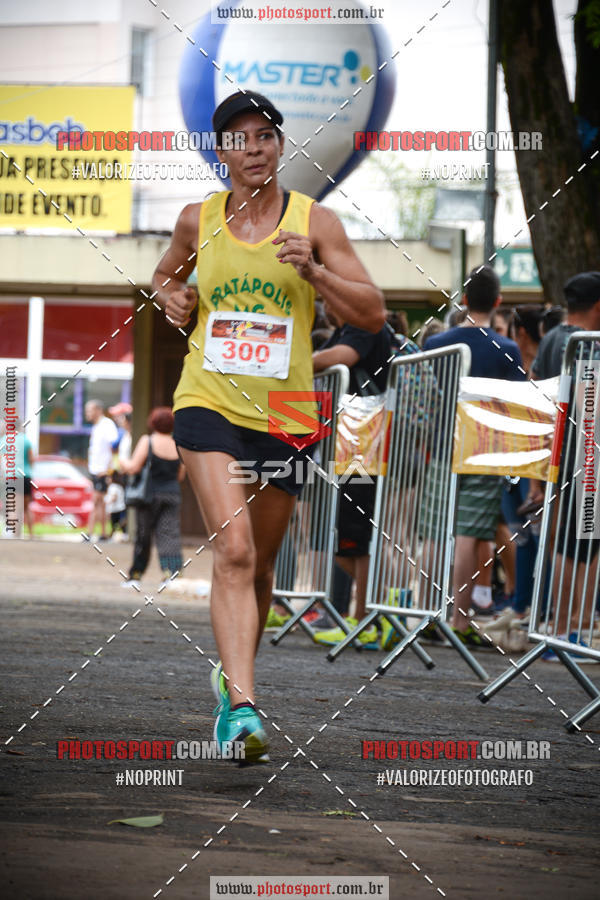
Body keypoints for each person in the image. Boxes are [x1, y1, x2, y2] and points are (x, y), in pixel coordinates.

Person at [152, 90, 385, 764]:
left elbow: (372, 315)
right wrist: (173, 296)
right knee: (233, 551)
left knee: (260, 567)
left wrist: (313, 270)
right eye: (237, 139)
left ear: (281, 145)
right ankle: (246, 711)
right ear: (219, 150)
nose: (252, 150)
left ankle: (232, 688)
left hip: (286, 411)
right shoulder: (198, 220)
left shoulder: (317, 222)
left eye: (264, 137)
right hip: (209, 399)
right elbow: (165, 276)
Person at [424, 266, 526, 645]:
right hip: (485, 448)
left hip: (442, 444)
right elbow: (516, 403)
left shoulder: (436, 344)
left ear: (463, 299)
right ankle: (460, 617)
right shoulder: (508, 349)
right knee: (469, 532)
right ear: (497, 302)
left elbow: (427, 396)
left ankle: (426, 610)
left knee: (435, 528)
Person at [310, 300, 393, 649]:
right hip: (351, 448)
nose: (325, 302)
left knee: (359, 540)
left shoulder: (364, 323)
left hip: (365, 446)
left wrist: (296, 362)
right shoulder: (348, 327)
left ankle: (368, 620)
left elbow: (341, 357)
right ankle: (374, 613)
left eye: (329, 295)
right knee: (350, 540)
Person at [530, 273, 600, 654]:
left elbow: (537, 388)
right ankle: (573, 630)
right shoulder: (591, 344)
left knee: (563, 541)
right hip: (587, 453)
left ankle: (560, 626)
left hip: (557, 452)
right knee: (586, 542)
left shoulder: (552, 337)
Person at [120, 407, 186, 589]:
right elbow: (181, 475)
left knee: (144, 535)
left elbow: (133, 467)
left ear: (153, 422)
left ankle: (136, 575)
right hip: (172, 493)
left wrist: (122, 462)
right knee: (169, 534)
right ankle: (172, 575)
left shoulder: (147, 441)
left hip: (149, 495)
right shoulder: (177, 443)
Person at [85, 400, 118, 541]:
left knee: (96, 500)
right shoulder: (96, 426)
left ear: (98, 410)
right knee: (101, 502)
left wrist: (110, 469)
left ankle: (89, 532)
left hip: (103, 471)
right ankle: (103, 533)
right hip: (95, 470)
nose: (88, 414)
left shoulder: (107, 425)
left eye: (90, 410)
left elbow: (115, 445)